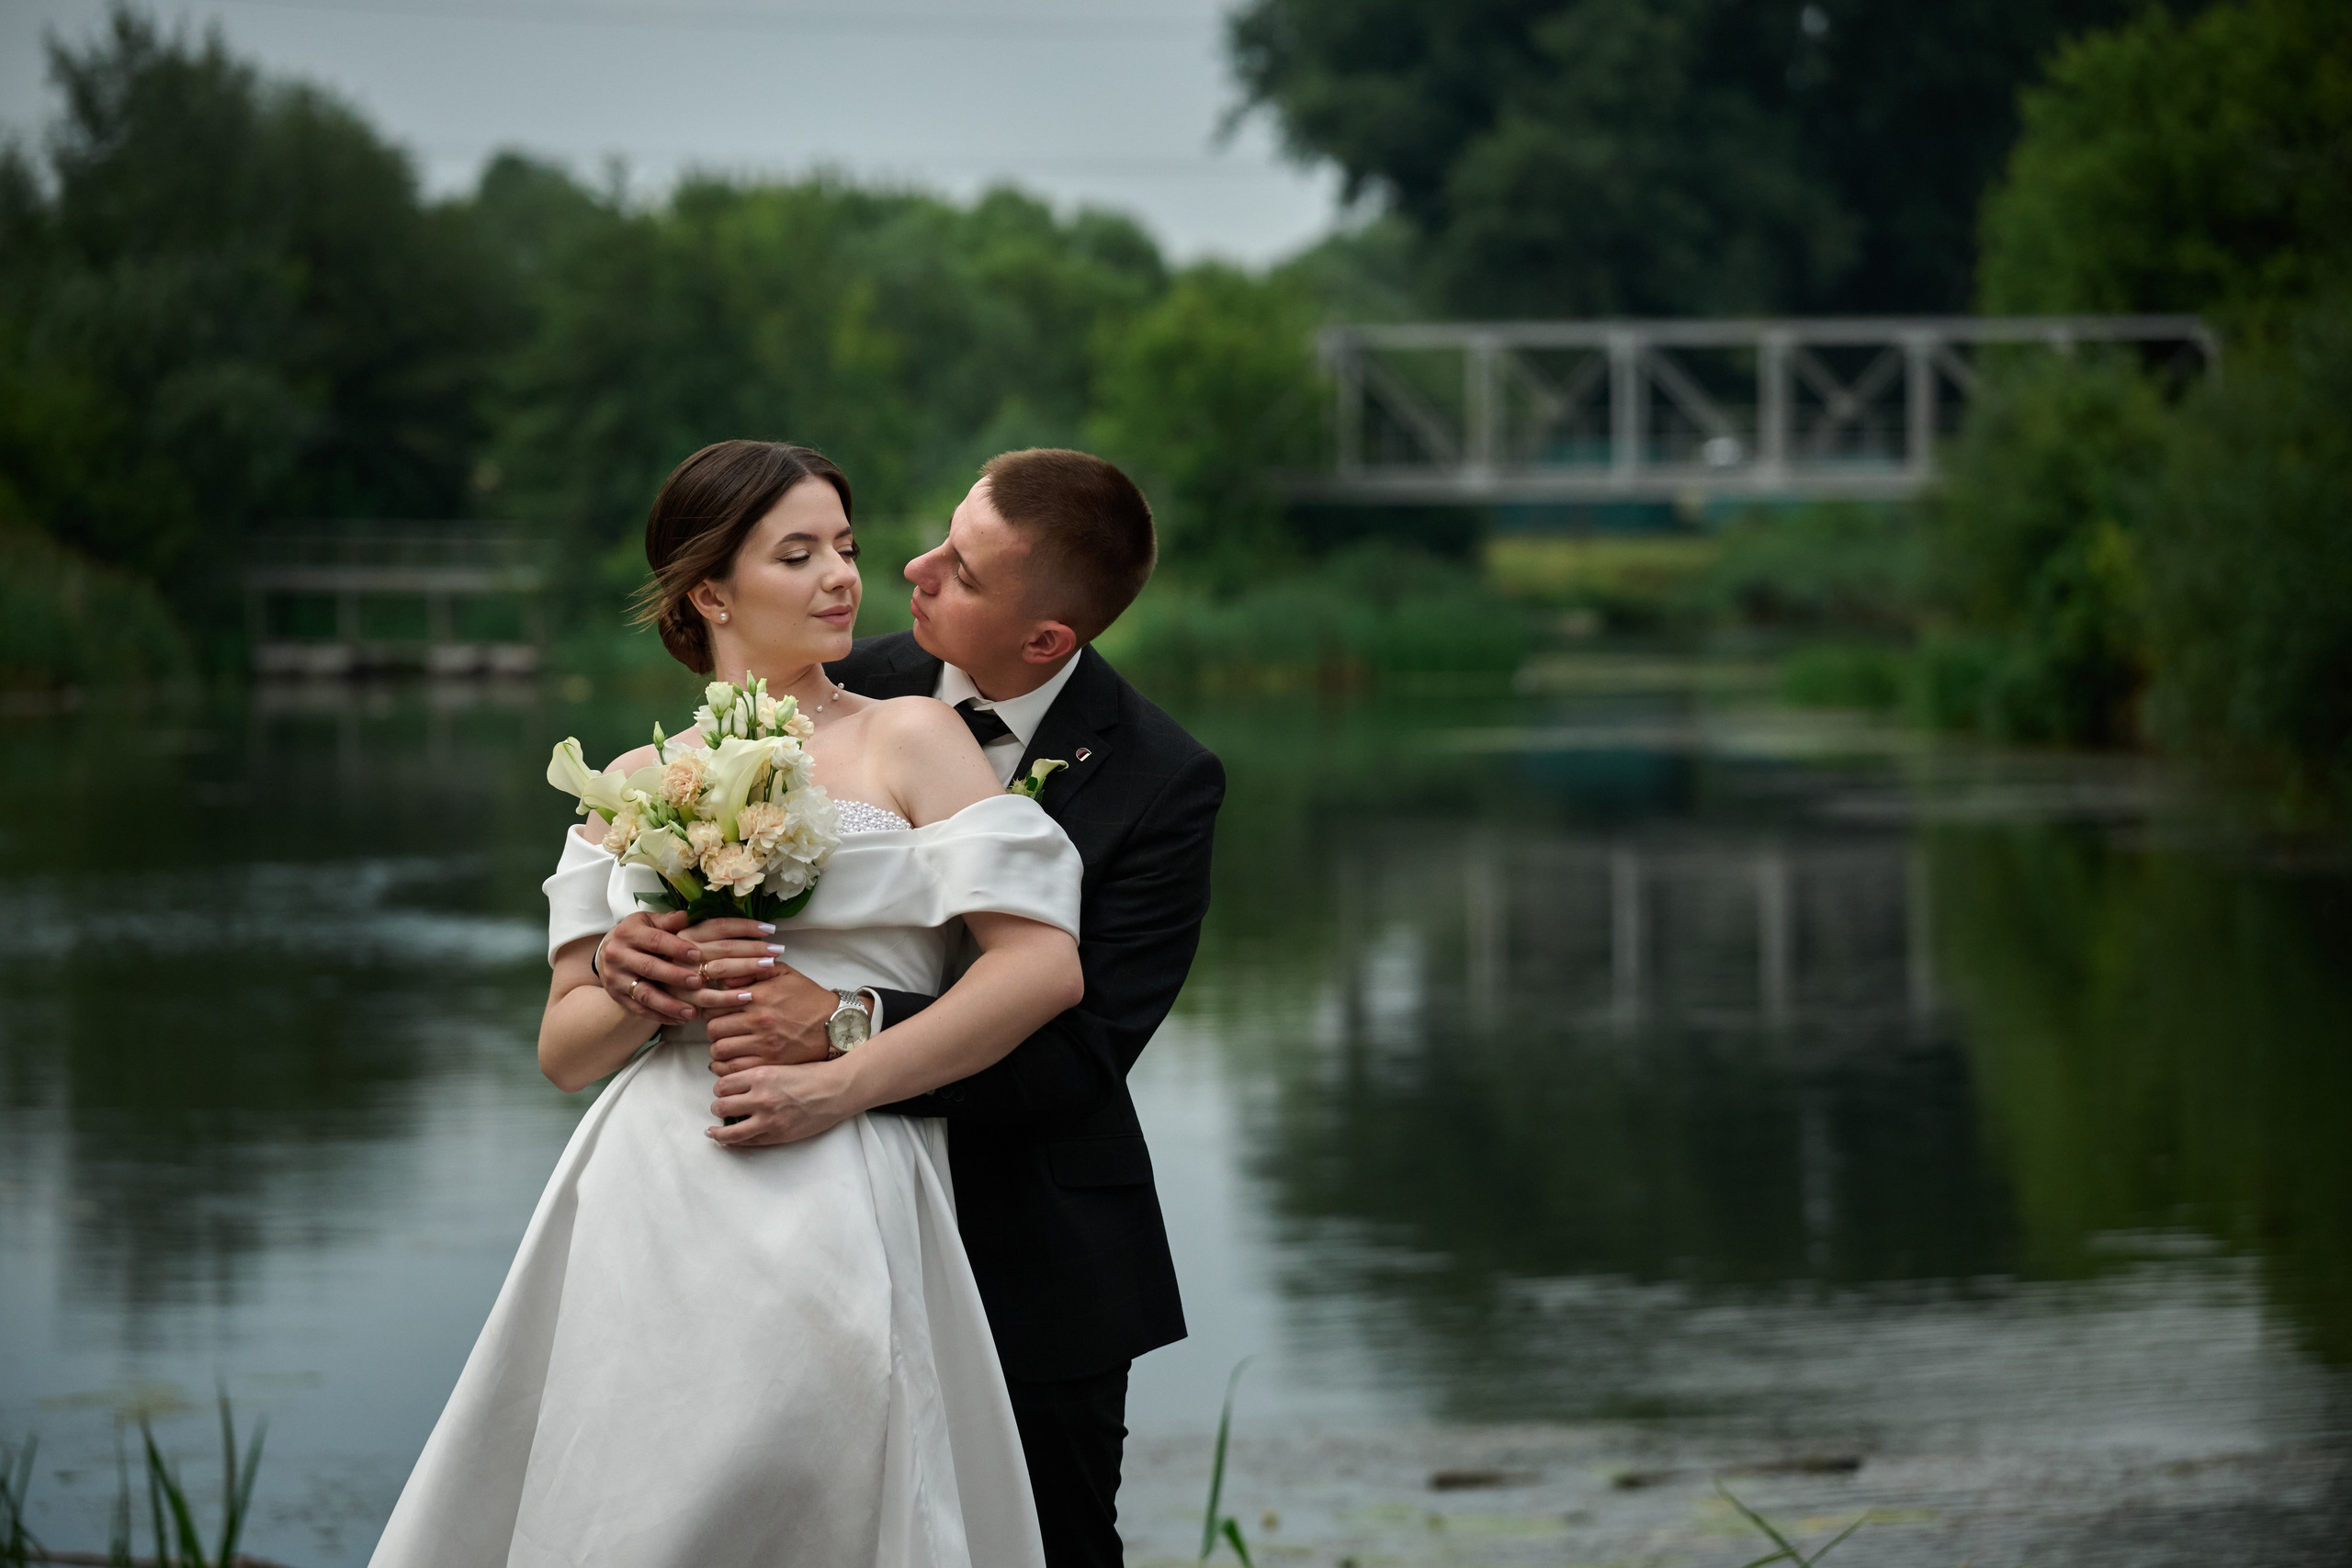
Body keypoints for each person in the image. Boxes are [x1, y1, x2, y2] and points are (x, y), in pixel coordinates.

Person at [370, 440, 1087, 1568]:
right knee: (641, 1504)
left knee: (803, 1476)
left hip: (842, 1171)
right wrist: (629, 982)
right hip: (650, 1190)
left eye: (844, 548)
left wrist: (842, 1080)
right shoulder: (633, 785)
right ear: (710, 590)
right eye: (798, 554)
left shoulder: (912, 734)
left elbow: (1040, 966)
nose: (843, 577)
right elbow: (564, 1052)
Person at [594, 447, 1225, 1568]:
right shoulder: (831, 684)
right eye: (937, 537)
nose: (909, 570)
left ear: (1047, 641)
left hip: (1027, 1243)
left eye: (965, 572)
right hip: (784, 1221)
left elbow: (1076, 1057)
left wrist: (842, 1029)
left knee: (1039, 1542)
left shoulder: (1161, 779)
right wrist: (636, 964)